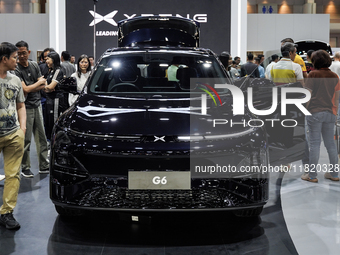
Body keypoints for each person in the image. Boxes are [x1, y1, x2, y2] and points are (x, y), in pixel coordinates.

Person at [302, 50, 340, 182]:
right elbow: (336, 99)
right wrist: (335, 114)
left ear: (314, 61)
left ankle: (312, 175)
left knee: (315, 145)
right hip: (330, 113)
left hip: (315, 112)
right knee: (331, 145)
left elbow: (308, 95)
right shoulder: (335, 76)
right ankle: (334, 174)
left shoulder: (313, 74)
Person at [0, 42, 26, 230]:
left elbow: (20, 105)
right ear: (4, 59)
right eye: (15, 58)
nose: (17, 61)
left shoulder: (16, 80)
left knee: (13, 175)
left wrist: (22, 128)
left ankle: (7, 212)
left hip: (13, 134)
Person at [14, 40, 49, 178]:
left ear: (28, 52)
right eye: (18, 54)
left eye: (23, 53)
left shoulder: (34, 65)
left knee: (41, 137)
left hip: (37, 104)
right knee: (26, 139)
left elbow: (43, 83)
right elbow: (25, 90)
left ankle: (44, 165)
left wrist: (33, 87)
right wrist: (36, 85)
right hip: (25, 107)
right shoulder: (16, 69)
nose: (21, 56)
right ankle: (25, 167)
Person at [44, 51, 64, 140]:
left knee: (54, 121)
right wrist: (47, 87)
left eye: (48, 59)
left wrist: (46, 87)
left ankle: (54, 142)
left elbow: (50, 87)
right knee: (48, 122)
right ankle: (50, 141)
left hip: (56, 100)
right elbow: (47, 86)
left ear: (54, 59)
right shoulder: (51, 71)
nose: (46, 61)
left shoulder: (58, 71)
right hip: (49, 99)